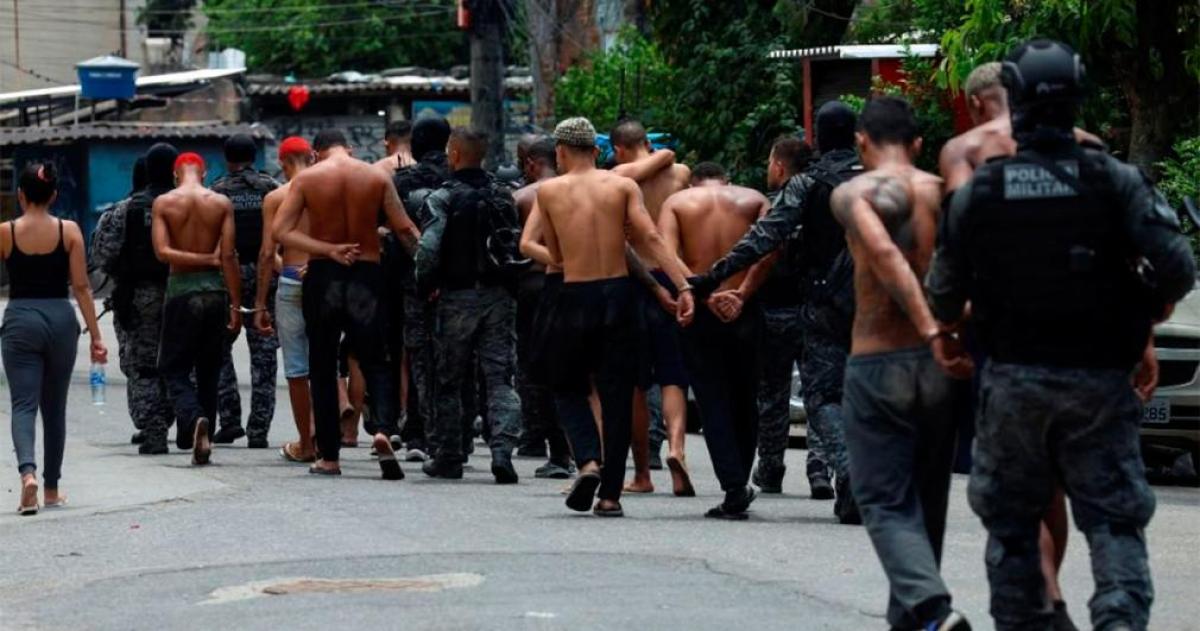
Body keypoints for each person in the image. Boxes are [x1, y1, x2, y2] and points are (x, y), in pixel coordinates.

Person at [926, 39, 1196, 631]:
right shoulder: (1116, 180)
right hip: (1101, 380)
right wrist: (1140, 314)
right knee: (1113, 521)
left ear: (1015, 100)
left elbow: (942, 293)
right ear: (1077, 98)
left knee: (1013, 522)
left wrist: (953, 329)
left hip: (1013, 382)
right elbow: (1177, 269)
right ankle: (1118, 621)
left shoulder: (979, 191)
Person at [937, 60, 1105, 631]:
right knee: (1052, 478)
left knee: (1016, 476)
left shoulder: (965, 150)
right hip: (1081, 332)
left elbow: (960, 244)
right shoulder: (1087, 145)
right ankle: (1049, 593)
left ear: (977, 102)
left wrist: (949, 326)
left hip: (1004, 332)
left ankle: (1047, 595)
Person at [829, 96, 970, 630]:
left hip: (878, 360)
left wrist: (926, 325)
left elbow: (886, 254)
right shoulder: (945, 193)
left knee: (882, 499)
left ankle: (932, 608)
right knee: (927, 504)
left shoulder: (852, 193)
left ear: (861, 141)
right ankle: (918, 622)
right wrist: (949, 331)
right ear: (917, 144)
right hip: (940, 366)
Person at [693, 101, 862, 520]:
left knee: (822, 395)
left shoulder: (808, 184)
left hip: (826, 303)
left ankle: (850, 472)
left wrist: (715, 275)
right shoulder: (881, 178)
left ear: (818, 137)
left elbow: (766, 236)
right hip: (884, 301)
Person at [528, 116, 694, 518]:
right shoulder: (621, 186)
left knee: (567, 385)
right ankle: (610, 496)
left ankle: (588, 460)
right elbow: (651, 237)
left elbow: (551, 252)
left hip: (574, 294)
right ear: (596, 150)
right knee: (618, 393)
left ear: (561, 151)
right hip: (618, 295)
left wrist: (566, 254)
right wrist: (685, 286)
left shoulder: (549, 191)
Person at [274, 129, 421, 478]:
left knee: (323, 365)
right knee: (376, 360)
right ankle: (383, 430)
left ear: (316, 153)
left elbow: (281, 231)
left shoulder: (307, 179)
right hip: (366, 275)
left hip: (323, 276)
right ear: (350, 148)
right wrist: (427, 269)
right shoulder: (376, 176)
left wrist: (327, 250)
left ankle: (329, 457)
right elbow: (405, 229)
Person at [658, 162, 773, 518]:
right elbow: (771, 247)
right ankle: (740, 479)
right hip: (744, 307)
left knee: (712, 399)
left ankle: (734, 485)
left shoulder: (678, 203)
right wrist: (742, 293)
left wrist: (701, 292)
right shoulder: (754, 199)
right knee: (746, 396)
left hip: (700, 309)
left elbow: (666, 253)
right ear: (727, 181)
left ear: (692, 184)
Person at [414, 128, 524, 483]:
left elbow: (428, 249)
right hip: (499, 298)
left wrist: (424, 285)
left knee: (449, 379)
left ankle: (449, 456)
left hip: (456, 299)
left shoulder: (442, 197)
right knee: (500, 378)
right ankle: (502, 451)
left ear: (455, 154)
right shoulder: (503, 195)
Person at [4, 162, 107, 515]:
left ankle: (27, 475)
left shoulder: (5, 232)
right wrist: (96, 336)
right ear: (53, 196)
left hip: (20, 320)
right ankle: (50, 490)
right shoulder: (69, 230)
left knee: (23, 405)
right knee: (54, 408)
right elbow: (81, 287)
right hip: (61, 321)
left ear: (20, 195)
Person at [609, 119, 692, 494]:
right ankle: (676, 448)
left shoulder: (618, 178)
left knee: (637, 383)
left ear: (619, 149)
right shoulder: (681, 173)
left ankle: (642, 474)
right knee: (674, 373)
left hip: (636, 278)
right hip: (673, 276)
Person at [151, 153, 243, 466]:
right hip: (215, 293)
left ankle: (193, 419)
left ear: (175, 174)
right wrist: (235, 305)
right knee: (209, 369)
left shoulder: (165, 203)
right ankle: (204, 438)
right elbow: (228, 256)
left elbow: (163, 252)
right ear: (203, 173)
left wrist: (200, 260)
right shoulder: (220, 203)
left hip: (181, 291)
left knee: (172, 367)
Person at [89, 143, 178, 454]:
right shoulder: (193, 204)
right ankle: (184, 421)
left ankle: (154, 430)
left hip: (141, 297)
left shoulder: (124, 210)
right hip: (185, 291)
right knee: (182, 362)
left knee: (143, 366)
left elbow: (102, 255)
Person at [742, 135, 817, 497]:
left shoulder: (772, 208)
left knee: (773, 394)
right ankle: (820, 468)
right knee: (820, 391)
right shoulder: (822, 205)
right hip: (814, 309)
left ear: (780, 166)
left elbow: (759, 253)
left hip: (774, 310)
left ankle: (771, 468)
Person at [211, 134, 281, 448]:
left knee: (219, 347)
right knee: (264, 354)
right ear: (255, 156)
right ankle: (259, 430)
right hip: (267, 274)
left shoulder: (217, 192)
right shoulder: (271, 189)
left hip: (229, 276)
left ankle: (229, 421)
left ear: (227, 159)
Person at [513, 134, 573, 479]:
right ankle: (582, 447)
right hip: (580, 281)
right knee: (577, 366)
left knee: (536, 367)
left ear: (532, 164)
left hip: (534, 284)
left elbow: (512, 250)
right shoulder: (579, 192)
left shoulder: (522, 197)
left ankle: (552, 446)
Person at [253, 137, 317, 463]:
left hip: (291, 280)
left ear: (282, 163)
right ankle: (327, 436)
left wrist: (260, 304)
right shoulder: (327, 191)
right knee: (324, 360)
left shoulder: (276, 197)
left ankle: (306, 443)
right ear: (313, 156)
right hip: (323, 280)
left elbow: (268, 253)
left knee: (296, 368)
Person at [395, 116, 453, 463]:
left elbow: (392, 229)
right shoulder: (462, 176)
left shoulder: (403, 181)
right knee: (457, 359)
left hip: (413, 283)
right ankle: (454, 436)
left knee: (419, 357)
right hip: (458, 284)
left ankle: (420, 432)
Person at [88, 156, 147, 444]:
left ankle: (149, 422)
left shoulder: (120, 211)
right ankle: (183, 415)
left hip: (131, 296)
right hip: (177, 293)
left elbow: (101, 255)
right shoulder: (182, 205)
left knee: (136, 362)